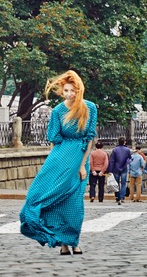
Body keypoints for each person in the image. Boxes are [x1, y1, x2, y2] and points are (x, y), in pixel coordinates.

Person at [19, 70, 97, 255]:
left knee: (74, 203)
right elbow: (54, 138)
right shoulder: (58, 111)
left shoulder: (89, 108)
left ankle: (74, 241)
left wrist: (82, 165)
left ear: (79, 90)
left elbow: (90, 139)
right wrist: (56, 162)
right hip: (60, 157)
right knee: (50, 197)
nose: (70, 94)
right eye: (67, 90)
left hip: (79, 158)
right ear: (62, 91)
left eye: (73, 90)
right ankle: (62, 243)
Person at [107, 137, 131, 205]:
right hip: (124, 167)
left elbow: (112, 161)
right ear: (124, 142)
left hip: (115, 168)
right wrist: (127, 162)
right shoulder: (127, 150)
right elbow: (130, 158)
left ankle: (117, 196)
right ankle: (122, 197)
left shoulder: (115, 150)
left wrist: (110, 170)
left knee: (116, 183)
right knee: (123, 183)